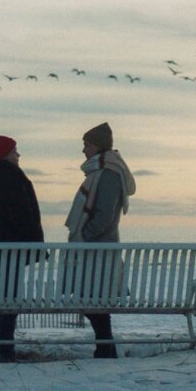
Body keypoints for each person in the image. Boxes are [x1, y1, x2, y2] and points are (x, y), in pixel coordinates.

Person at [64, 122, 136, 358]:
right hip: (98, 248)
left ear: (98, 146)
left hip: (99, 249)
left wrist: (85, 235)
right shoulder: (102, 171)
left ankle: (105, 347)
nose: (83, 150)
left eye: (87, 145)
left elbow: (105, 214)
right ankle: (105, 346)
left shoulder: (108, 173)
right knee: (92, 298)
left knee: (93, 298)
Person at [0, 135, 44, 363]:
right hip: (13, 248)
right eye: (14, 151)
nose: (18, 155)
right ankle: (6, 348)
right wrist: (34, 241)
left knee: (0, 296)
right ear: (4, 155)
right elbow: (22, 214)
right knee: (11, 298)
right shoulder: (10, 178)